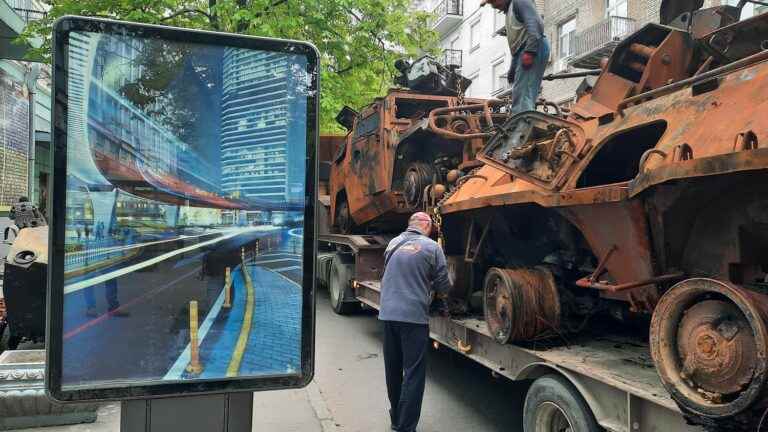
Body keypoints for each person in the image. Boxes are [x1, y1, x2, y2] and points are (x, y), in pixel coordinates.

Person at [379, 212, 452, 432]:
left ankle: (395, 419)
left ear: (410, 226)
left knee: (393, 369)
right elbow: (444, 286)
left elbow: (390, 272)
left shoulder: (393, 243)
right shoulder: (432, 247)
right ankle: (406, 427)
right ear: (427, 226)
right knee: (413, 373)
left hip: (387, 315)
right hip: (413, 319)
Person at [482, 0, 550, 114]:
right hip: (525, 50)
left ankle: (522, 126)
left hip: (533, 46)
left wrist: (530, 51)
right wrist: (513, 69)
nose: (494, 6)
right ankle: (522, 121)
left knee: (522, 94)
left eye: (493, 2)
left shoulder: (520, 2)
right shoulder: (510, 10)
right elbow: (517, 45)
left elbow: (535, 23)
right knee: (521, 92)